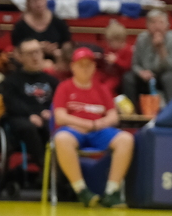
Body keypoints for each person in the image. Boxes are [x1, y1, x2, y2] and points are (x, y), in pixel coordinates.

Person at [51, 47, 133, 207]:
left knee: (126, 139)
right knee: (61, 139)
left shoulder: (102, 88)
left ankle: (112, 191)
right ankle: (81, 190)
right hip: (74, 130)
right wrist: (85, 124)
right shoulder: (64, 87)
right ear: (73, 67)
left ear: (94, 67)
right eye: (81, 65)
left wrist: (97, 125)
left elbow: (113, 116)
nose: (85, 68)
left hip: (98, 131)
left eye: (88, 65)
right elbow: (60, 116)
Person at [1, 37, 57, 169]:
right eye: (30, 53)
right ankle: (44, 167)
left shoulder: (52, 81)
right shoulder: (11, 81)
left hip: (46, 117)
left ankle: (58, 166)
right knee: (28, 127)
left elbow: (58, 102)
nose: (35, 57)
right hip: (20, 119)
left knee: (53, 125)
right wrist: (31, 114)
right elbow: (12, 104)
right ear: (20, 57)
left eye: (38, 52)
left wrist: (49, 111)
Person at [124, 9, 172, 105]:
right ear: (147, 25)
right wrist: (141, 73)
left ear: (167, 25)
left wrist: (161, 49)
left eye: (161, 22)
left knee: (168, 77)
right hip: (146, 77)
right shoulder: (142, 39)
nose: (157, 26)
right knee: (128, 78)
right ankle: (132, 112)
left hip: (164, 75)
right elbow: (135, 64)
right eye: (153, 22)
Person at [12, 0, 73, 67]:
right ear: (28, 2)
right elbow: (17, 52)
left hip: (56, 66)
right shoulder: (20, 26)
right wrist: (38, 49)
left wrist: (57, 53)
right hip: (29, 67)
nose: (39, 3)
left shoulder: (59, 22)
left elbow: (67, 48)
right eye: (34, 0)